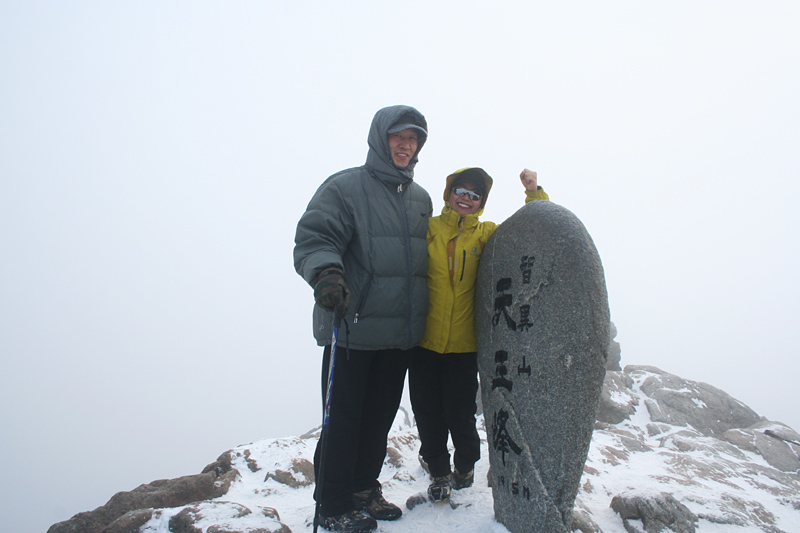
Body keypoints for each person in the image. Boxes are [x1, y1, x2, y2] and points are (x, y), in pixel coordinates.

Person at [294, 105, 432, 533]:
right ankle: (332, 504)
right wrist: (327, 273)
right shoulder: (345, 187)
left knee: (378, 419)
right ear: (380, 139)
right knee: (343, 423)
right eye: (397, 136)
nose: (405, 145)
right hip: (352, 328)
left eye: (413, 138)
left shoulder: (421, 199)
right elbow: (316, 236)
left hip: (398, 334)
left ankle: (363, 489)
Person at [408, 167, 548, 502]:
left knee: (460, 411)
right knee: (427, 410)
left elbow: (531, 236)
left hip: (464, 345)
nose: (466, 199)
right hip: (423, 341)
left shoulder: (486, 234)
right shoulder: (426, 229)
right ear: (448, 193)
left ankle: (466, 465)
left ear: (481, 203)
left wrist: (534, 192)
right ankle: (439, 472)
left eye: (475, 195)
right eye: (461, 191)